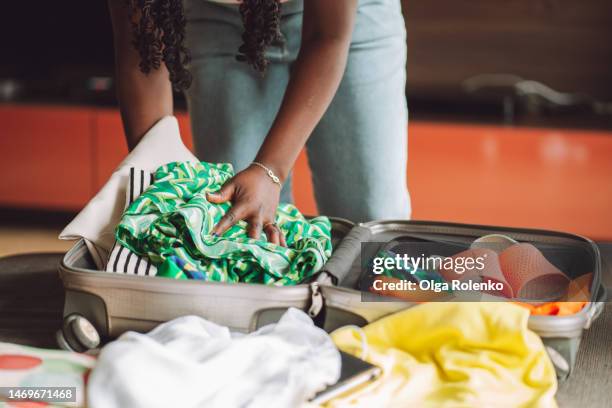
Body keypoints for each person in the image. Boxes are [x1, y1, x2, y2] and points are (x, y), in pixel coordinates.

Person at [108, 0, 410, 246]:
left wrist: (271, 170)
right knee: (238, 228)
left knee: (373, 220)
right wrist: (158, 182)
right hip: (217, 22)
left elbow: (327, 36)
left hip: (352, 18)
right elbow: (140, 51)